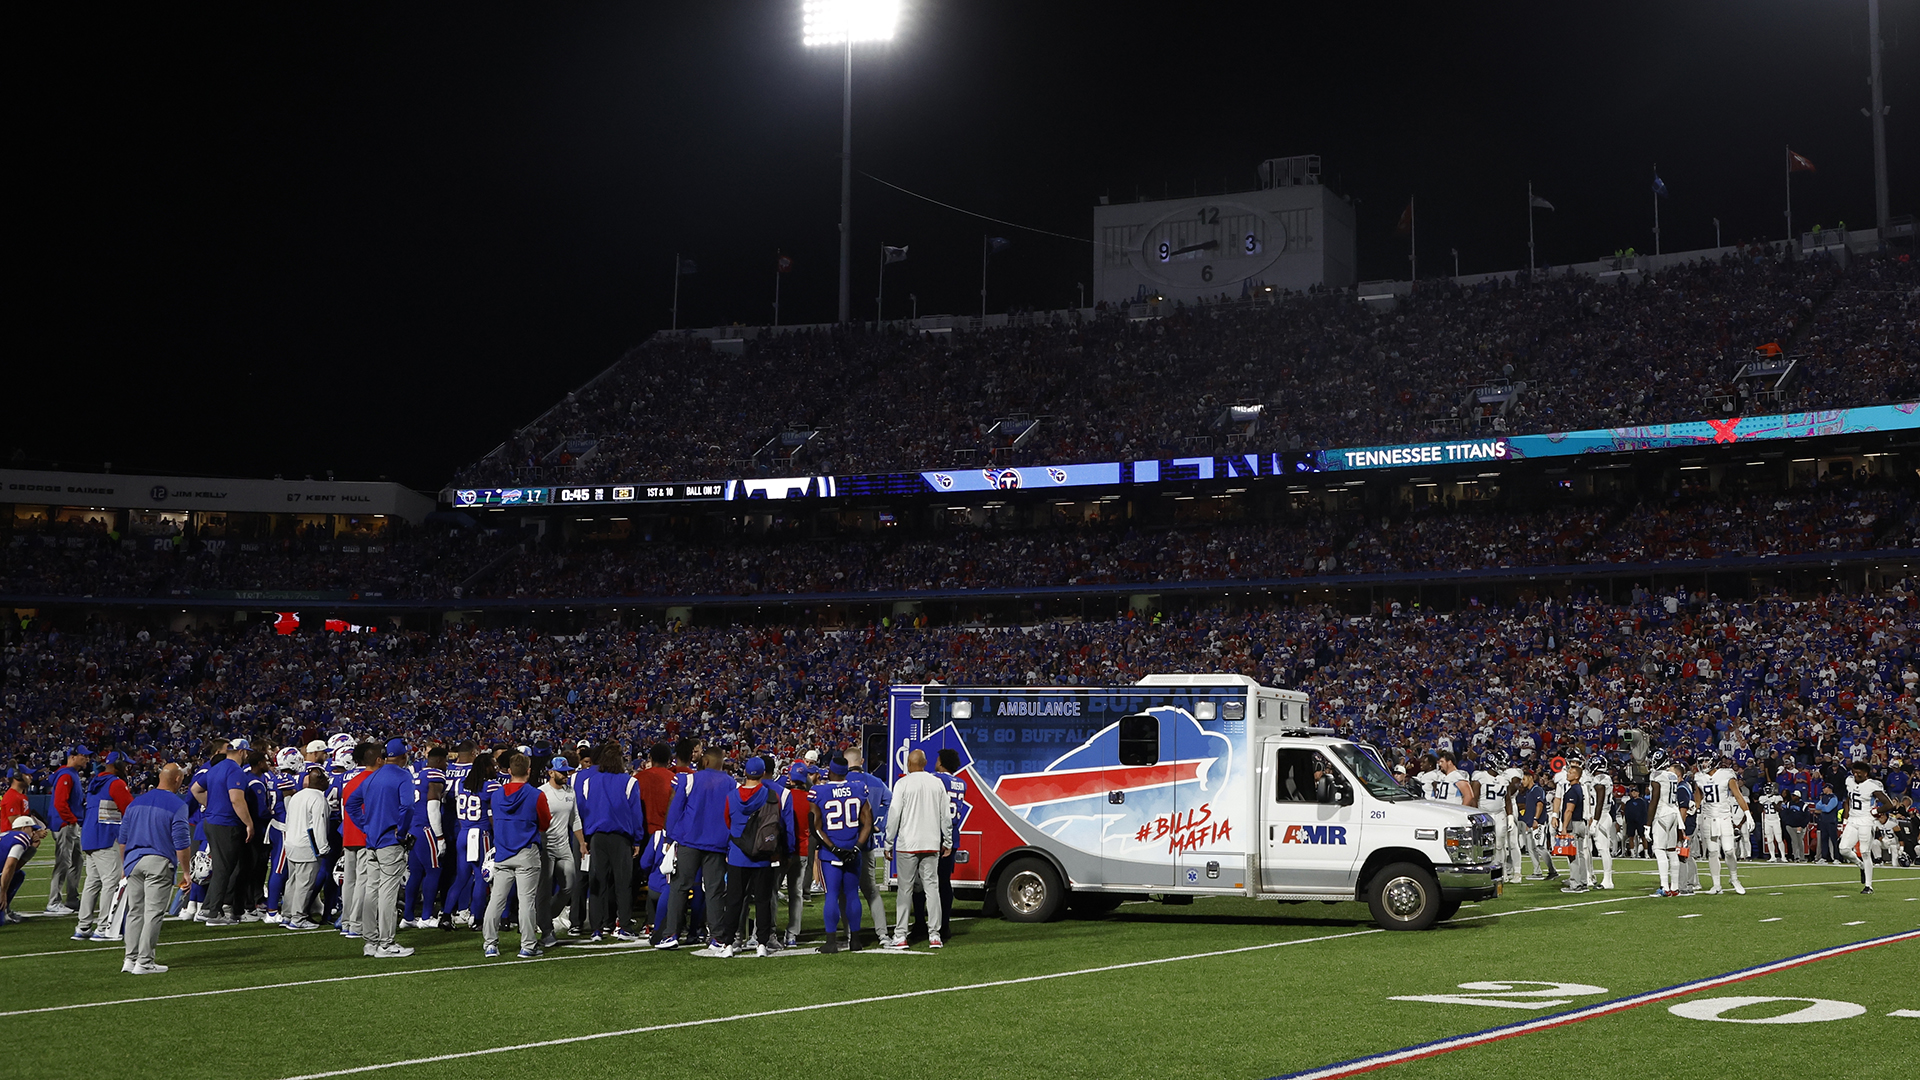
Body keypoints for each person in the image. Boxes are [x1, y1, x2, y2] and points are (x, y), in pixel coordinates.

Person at [712, 756, 794, 958]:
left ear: (746, 773)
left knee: (734, 901)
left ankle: (729, 943)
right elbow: (779, 824)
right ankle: (762, 944)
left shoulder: (732, 796)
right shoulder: (771, 795)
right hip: (763, 855)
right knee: (763, 901)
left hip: (738, 854)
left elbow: (727, 821)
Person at [653, 748, 733, 950]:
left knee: (679, 886)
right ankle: (717, 937)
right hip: (717, 843)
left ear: (705, 761)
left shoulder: (688, 780)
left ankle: (671, 934)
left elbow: (675, 808)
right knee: (714, 890)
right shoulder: (731, 783)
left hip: (689, 841)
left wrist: (670, 836)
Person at [115, 763, 190, 975]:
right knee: (153, 914)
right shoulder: (177, 805)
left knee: (135, 912)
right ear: (177, 779)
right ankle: (145, 961)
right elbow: (181, 842)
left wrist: (124, 865)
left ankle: (130, 959)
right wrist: (186, 871)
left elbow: (123, 839)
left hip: (133, 861)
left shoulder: (137, 802)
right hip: (158, 862)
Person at [344, 738, 415, 958]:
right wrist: (401, 832)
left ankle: (370, 941)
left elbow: (351, 804)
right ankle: (386, 943)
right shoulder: (403, 775)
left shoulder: (372, 776)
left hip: (372, 841)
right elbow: (408, 806)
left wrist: (365, 825)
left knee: (371, 890)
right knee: (387, 892)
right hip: (390, 841)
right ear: (403, 756)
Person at [482, 753, 552, 959]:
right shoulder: (536, 794)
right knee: (526, 901)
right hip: (526, 853)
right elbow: (545, 823)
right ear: (529, 771)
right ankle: (528, 946)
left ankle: (490, 944)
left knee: (496, 900)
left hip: (503, 853)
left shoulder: (496, 794)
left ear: (510, 771)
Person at [884, 749, 951, 951]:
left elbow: (894, 815)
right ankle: (935, 935)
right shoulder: (936, 783)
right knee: (932, 889)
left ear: (908, 763)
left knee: (905, 890)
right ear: (925, 763)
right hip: (931, 843)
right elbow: (945, 815)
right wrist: (947, 839)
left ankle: (901, 935)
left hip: (907, 844)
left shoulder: (903, 784)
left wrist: (888, 841)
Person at [578, 743, 644, 942]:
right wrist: (638, 839)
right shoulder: (629, 782)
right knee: (623, 883)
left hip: (597, 837)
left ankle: (596, 929)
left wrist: (586, 839)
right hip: (621, 838)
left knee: (597, 882)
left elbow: (583, 811)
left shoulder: (590, 781)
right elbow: (635, 814)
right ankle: (623, 925)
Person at [810, 754, 871, 953]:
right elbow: (867, 822)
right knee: (853, 894)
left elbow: (815, 826)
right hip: (853, 848)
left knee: (832, 895)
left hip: (831, 852)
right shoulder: (858, 787)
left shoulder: (818, 790)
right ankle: (855, 941)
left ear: (830, 771)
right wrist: (857, 846)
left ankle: (831, 942)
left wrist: (833, 848)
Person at [75, 751, 134, 940]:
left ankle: (83, 926)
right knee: (111, 881)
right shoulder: (116, 783)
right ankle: (104, 927)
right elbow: (129, 810)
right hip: (106, 837)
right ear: (118, 765)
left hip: (90, 837)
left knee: (92, 882)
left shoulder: (95, 782)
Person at [196, 738, 256, 926]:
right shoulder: (234, 770)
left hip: (211, 821)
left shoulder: (215, 768)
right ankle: (214, 913)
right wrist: (249, 823)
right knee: (224, 869)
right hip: (226, 824)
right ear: (242, 752)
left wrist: (211, 804)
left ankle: (207, 908)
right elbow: (236, 799)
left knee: (221, 866)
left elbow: (195, 789)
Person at [910, 748, 967, 940]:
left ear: (941, 763)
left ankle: (920, 923)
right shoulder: (961, 783)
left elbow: (918, 775)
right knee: (943, 883)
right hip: (952, 837)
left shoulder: (937, 779)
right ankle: (944, 926)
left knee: (921, 884)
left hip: (934, 836)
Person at [844, 749, 893, 946]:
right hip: (867, 843)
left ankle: (850, 935)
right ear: (862, 761)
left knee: (846, 892)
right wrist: (879, 825)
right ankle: (883, 935)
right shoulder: (875, 782)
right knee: (871, 890)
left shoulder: (839, 781)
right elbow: (892, 802)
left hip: (844, 844)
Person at [334, 742, 377, 938]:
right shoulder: (373, 780)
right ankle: (356, 923)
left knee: (349, 881)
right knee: (363, 880)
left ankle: (346, 921)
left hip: (348, 833)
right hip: (363, 835)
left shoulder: (350, 780)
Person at [401, 746, 447, 929]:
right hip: (426, 828)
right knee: (434, 871)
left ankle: (408, 916)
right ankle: (427, 916)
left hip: (413, 827)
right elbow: (432, 807)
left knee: (416, 873)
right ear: (438, 761)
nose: (446, 765)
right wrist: (440, 836)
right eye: (445, 761)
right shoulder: (435, 775)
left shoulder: (416, 775)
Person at [281, 767, 331, 929]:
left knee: (293, 881)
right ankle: (298, 917)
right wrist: (323, 848)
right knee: (305, 883)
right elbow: (319, 825)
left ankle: (287, 915)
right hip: (307, 845)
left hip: (291, 842)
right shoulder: (318, 799)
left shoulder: (298, 795)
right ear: (321, 781)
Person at [540, 756, 582, 942]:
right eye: (562, 772)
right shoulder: (541, 792)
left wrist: (582, 842)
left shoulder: (570, 792)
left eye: (567, 771)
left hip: (564, 845)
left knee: (569, 886)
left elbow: (575, 818)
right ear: (551, 772)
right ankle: (547, 930)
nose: (566, 775)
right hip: (545, 847)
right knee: (544, 890)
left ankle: (544, 917)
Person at [45, 745, 91, 915]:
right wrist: (71, 820)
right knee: (63, 862)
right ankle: (53, 902)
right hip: (65, 824)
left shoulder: (70, 774)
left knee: (76, 861)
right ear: (71, 757)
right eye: (82, 756)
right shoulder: (66, 775)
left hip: (70, 823)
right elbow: (59, 803)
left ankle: (72, 899)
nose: (86, 759)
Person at [1699, 752, 1748, 895]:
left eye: (1706, 761)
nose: (1703, 764)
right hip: (1708, 817)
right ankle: (1716, 885)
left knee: (1729, 850)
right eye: (1702, 761)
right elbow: (1697, 798)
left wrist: (1747, 813)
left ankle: (1734, 878)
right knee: (1713, 852)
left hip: (1724, 816)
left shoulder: (1726, 774)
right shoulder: (1699, 777)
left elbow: (1737, 795)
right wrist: (1691, 809)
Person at [1840, 760, 1887, 894]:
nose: (1856, 775)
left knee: (1865, 852)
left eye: (1859, 773)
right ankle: (1860, 865)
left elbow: (1889, 804)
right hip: (1853, 820)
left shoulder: (1872, 785)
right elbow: (1848, 800)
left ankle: (1868, 886)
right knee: (1843, 849)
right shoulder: (1849, 781)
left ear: (1866, 774)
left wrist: (1876, 811)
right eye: (1854, 772)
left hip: (1866, 820)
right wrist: (1845, 818)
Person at [1, 816, 51, 925]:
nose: (34, 833)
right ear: (24, 828)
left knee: (18, 875)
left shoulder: (8, 835)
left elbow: (15, 868)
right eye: (32, 829)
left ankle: (5, 910)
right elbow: (9, 867)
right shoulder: (21, 837)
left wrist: (32, 848)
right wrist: (3, 891)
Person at [1648, 750, 1683, 897]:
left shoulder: (1657, 776)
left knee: (1659, 850)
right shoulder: (1672, 775)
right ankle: (1674, 887)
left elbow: (1654, 800)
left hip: (1662, 814)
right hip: (1674, 813)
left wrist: (1647, 824)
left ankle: (1664, 887)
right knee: (1671, 850)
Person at [1557, 758, 1591, 894]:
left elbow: (1569, 810)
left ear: (1576, 776)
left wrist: (1564, 827)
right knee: (1581, 854)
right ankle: (1583, 881)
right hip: (1582, 823)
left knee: (1573, 855)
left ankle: (1575, 884)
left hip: (1574, 824)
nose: (1567, 774)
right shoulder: (1580, 789)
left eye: (1570, 772)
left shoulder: (1572, 790)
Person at [1585, 753, 1616, 890]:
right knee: (1600, 848)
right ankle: (1599, 878)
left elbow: (1599, 802)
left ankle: (1608, 880)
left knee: (1603, 849)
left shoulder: (1600, 780)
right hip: (1601, 815)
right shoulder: (1604, 778)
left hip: (1601, 816)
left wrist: (1595, 821)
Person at [1812, 786, 1842, 864]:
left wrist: (1822, 808)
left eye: (1824, 788)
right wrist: (1823, 807)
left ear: (1828, 788)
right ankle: (1824, 857)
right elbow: (1817, 806)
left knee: (1833, 840)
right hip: (1824, 821)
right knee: (1823, 840)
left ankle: (1836, 858)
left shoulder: (1834, 798)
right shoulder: (1824, 797)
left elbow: (1828, 809)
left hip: (1831, 821)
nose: (1823, 790)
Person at [1758, 782, 1787, 861]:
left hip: (1776, 820)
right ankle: (1772, 856)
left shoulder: (1778, 797)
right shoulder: (1762, 798)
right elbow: (1759, 810)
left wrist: (1772, 802)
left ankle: (1783, 856)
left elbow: (1779, 809)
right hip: (1767, 820)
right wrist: (1762, 803)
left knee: (1779, 839)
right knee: (1769, 840)